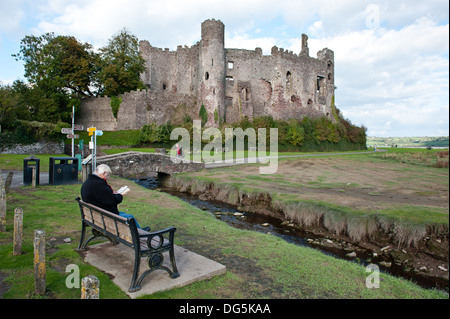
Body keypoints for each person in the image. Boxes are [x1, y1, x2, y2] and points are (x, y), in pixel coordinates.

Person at [81, 164, 149, 230]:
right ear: (104, 173)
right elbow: (112, 200)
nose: (108, 177)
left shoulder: (88, 182)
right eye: (108, 175)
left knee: (124, 214)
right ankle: (139, 234)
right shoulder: (99, 185)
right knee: (130, 217)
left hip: (95, 215)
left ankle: (139, 230)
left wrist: (112, 193)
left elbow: (102, 196)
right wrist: (120, 195)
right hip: (105, 217)